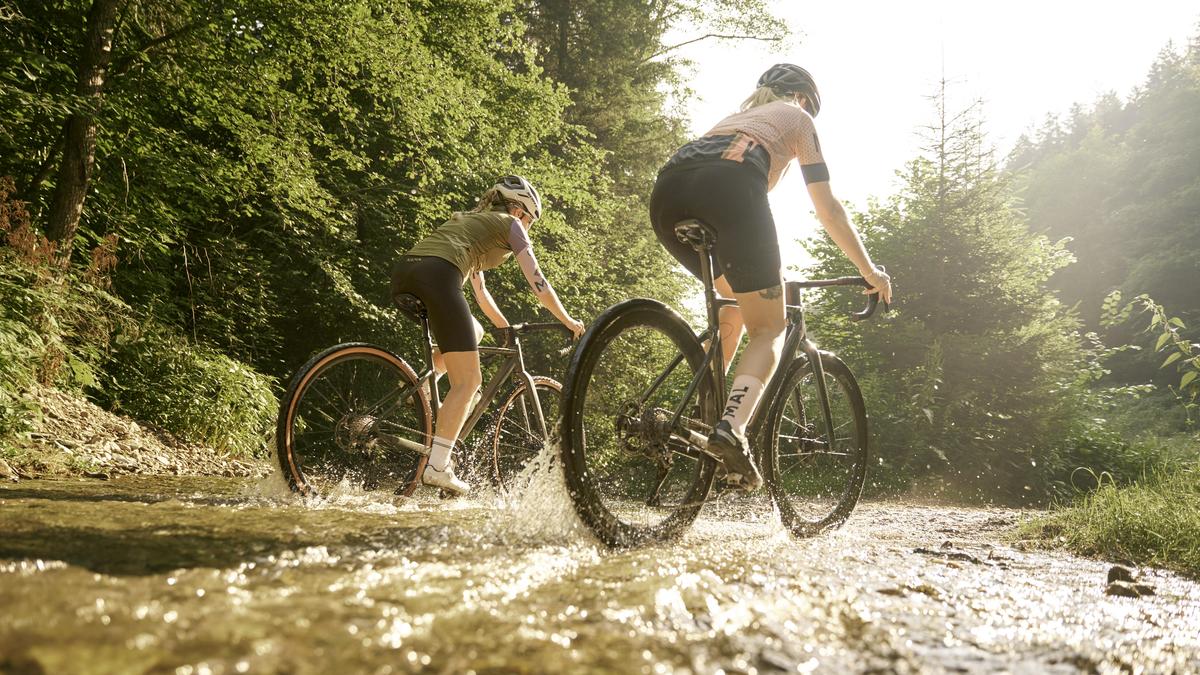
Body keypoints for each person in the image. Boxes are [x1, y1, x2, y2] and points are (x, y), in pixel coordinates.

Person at [649, 63, 892, 491]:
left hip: (668, 192)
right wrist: (869, 271)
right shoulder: (799, 118)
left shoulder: (733, 119)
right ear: (803, 98)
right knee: (770, 328)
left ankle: (691, 416)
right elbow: (828, 208)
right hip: (730, 187)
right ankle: (731, 430)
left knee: (736, 312)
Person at [391, 175, 586, 495]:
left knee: (475, 330)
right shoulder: (511, 225)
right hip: (439, 276)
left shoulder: (473, 224)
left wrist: (504, 327)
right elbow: (538, 282)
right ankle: (438, 466)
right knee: (469, 382)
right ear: (520, 211)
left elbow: (481, 296)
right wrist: (567, 320)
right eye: (531, 221)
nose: (529, 228)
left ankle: (423, 386)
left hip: (406, 274)